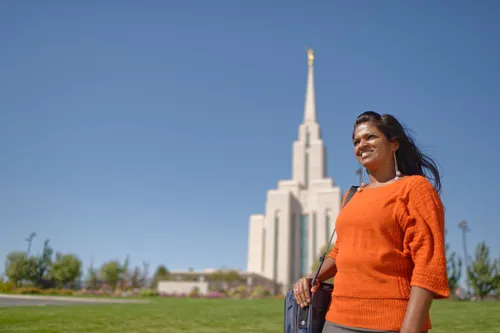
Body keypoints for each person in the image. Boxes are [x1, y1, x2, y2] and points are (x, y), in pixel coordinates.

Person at [293, 111, 449, 333]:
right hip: (336, 320)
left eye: (370, 137)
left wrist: (410, 329)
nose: (361, 144)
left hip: (390, 323)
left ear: (394, 143)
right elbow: (340, 250)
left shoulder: (415, 188)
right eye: (356, 141)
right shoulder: (352, 195)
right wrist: (312, 278)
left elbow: (428, 263)